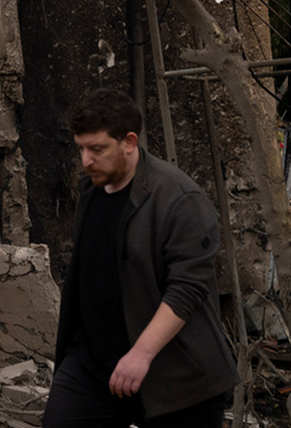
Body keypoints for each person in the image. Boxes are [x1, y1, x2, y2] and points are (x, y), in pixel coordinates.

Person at [43, 88, 238, 427]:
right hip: (92, 365)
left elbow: (187, 288)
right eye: (82, 148)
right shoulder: (90, 189)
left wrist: (140, 355)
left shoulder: (180, 199)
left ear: (129, 142)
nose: (86, 159)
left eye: (98, 149)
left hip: (174, 375)